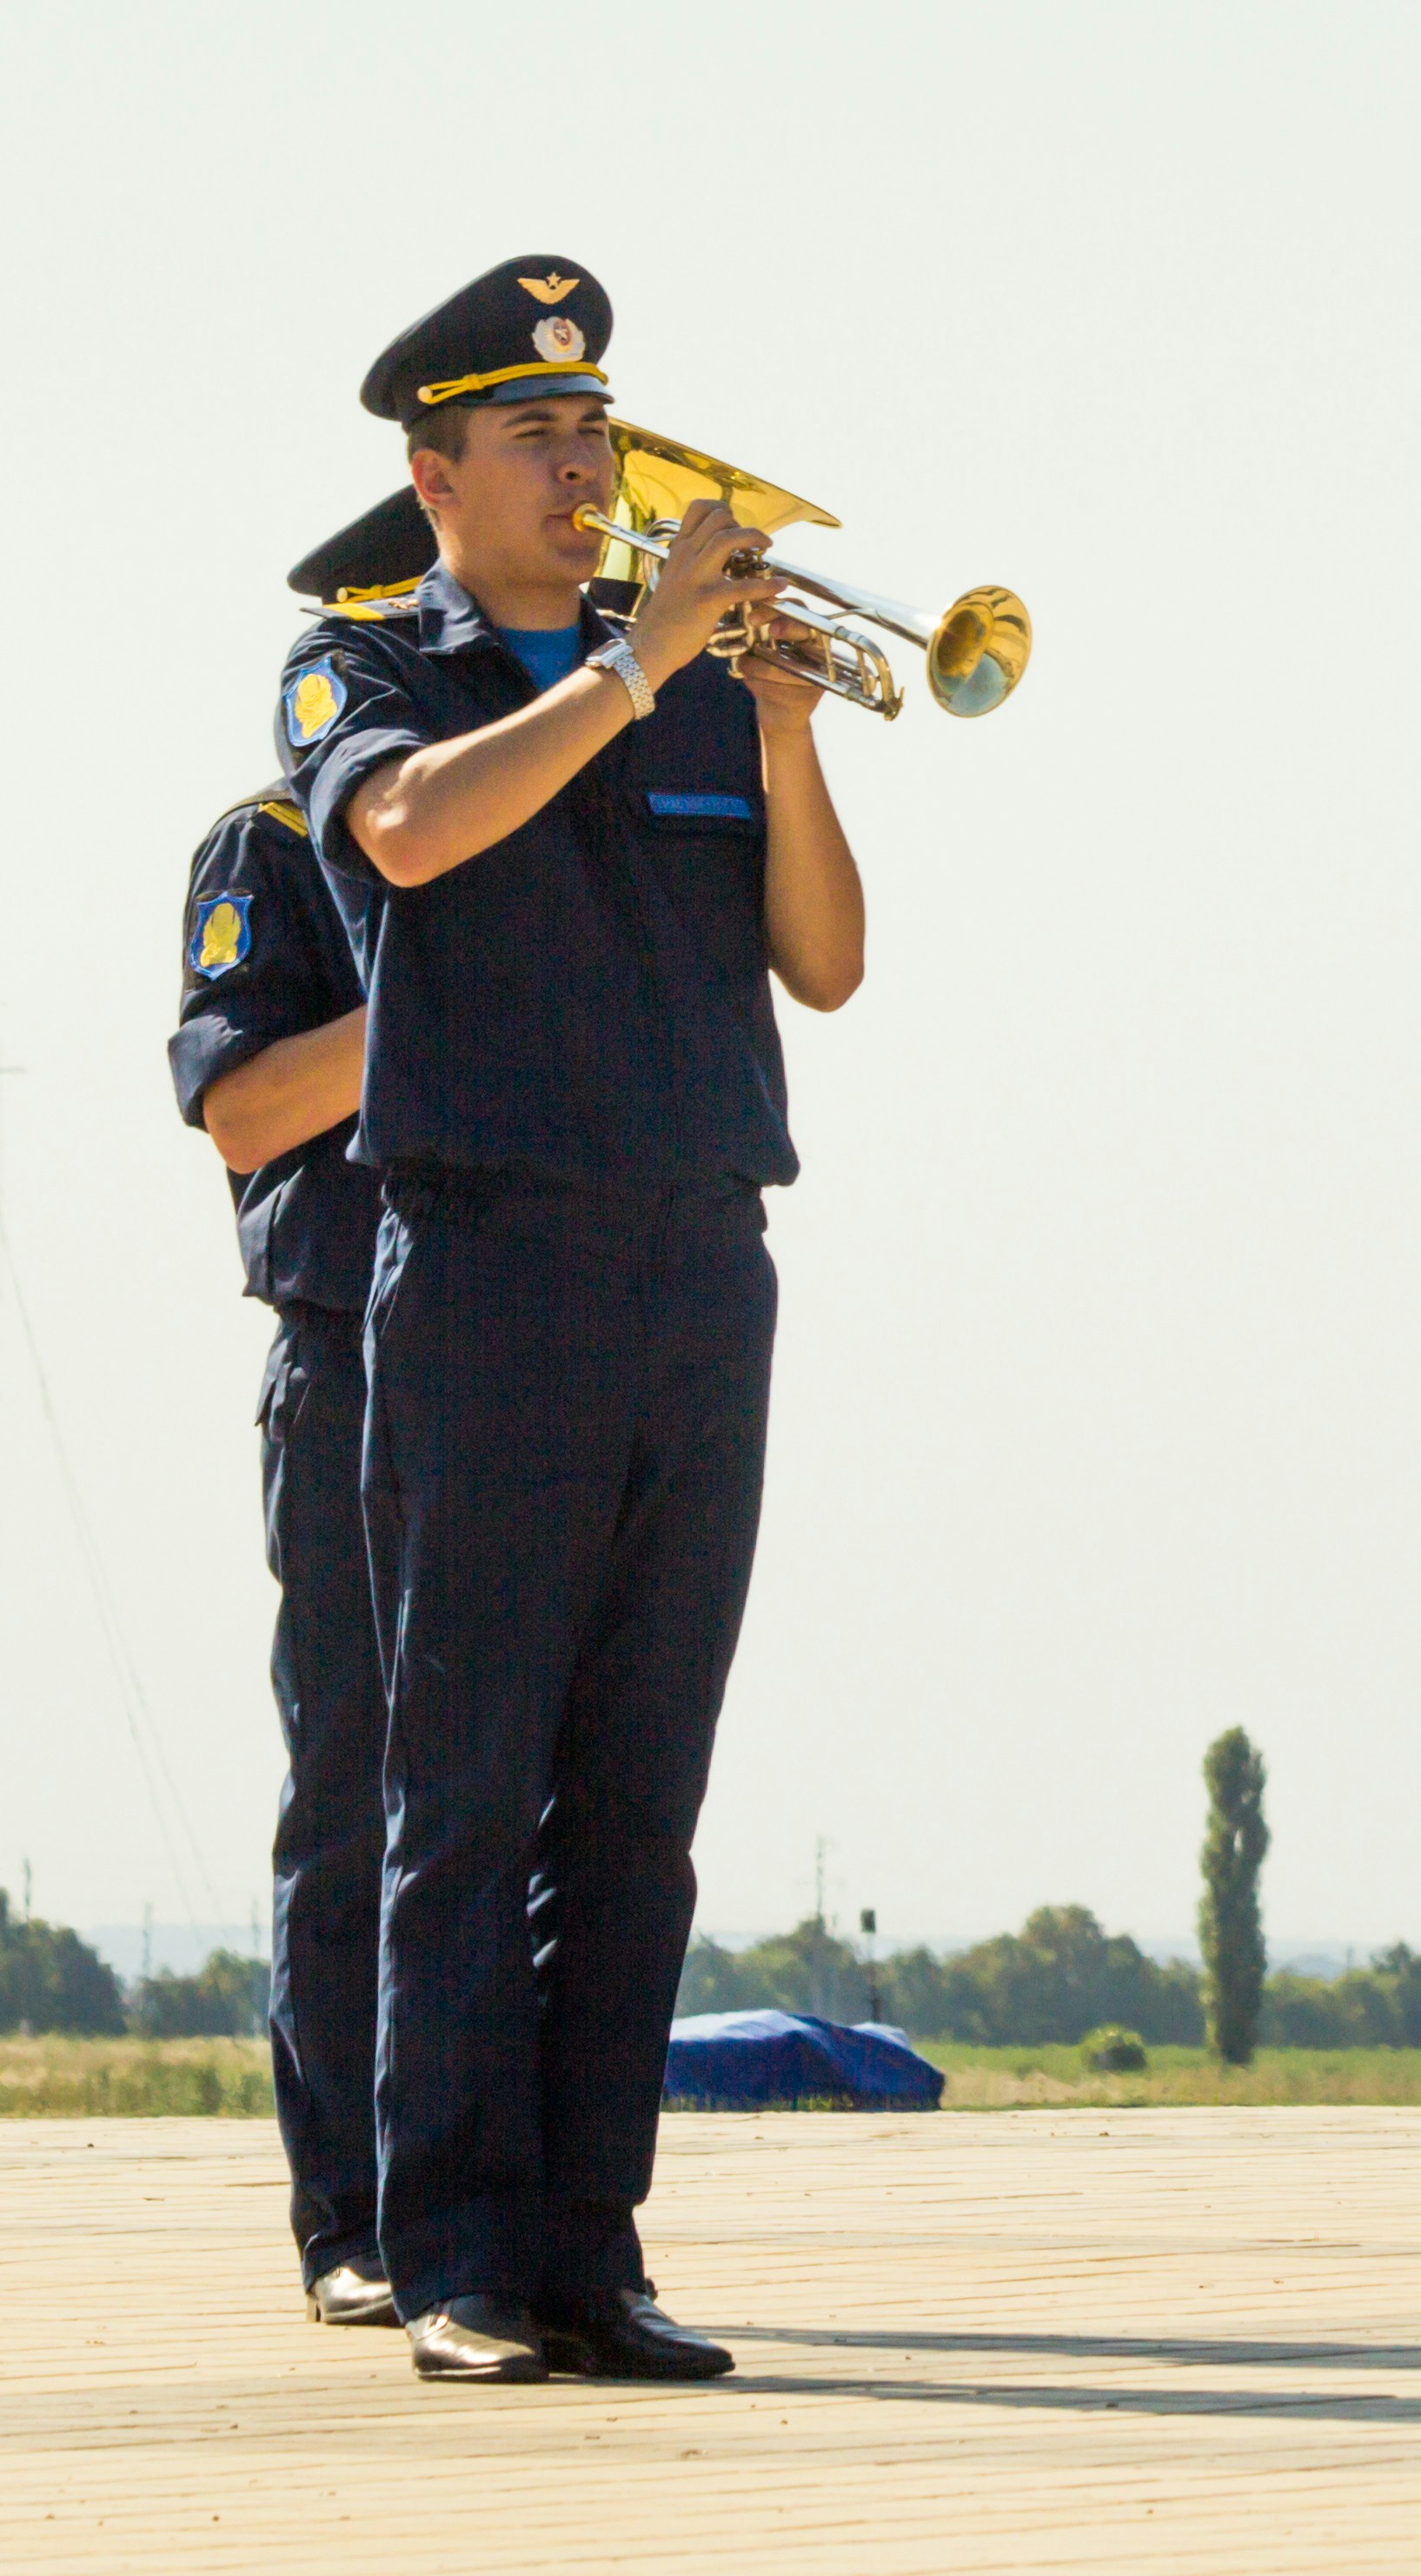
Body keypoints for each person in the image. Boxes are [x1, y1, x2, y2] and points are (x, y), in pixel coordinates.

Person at [280, 256, 868, 2385]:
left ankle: (588, 2244)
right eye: (535, 436)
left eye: (595, 429)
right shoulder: (369, 678)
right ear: (432, 473)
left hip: (702, 1259)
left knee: (639, 1788)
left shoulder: (705, 686)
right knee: (466, 1778)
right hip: (492, 1259)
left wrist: (785, 735)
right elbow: (420, 841)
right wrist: (627, 671)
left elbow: (826, 965)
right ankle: (449, 2256)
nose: (584, 462)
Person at [165, 488, 442, 2335]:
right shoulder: (268, 843)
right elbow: (243, 1110)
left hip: (517, 1336)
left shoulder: (533, 829)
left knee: (508, 1799)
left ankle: (490, 2204)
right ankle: (348, 2212)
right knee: (355, 1792)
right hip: (350, 1343)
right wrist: (442, 982)